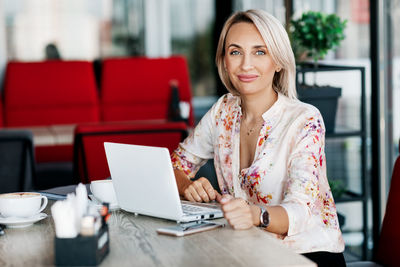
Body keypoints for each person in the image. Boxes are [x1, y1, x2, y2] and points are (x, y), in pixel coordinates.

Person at [171, 9, 346, 267]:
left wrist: (256, 215)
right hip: (249, 252)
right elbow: (175, 165)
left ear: (278, 62)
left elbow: (301, 211)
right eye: (235, 52)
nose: (245, 64)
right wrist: (186, 185)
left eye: (259, 52)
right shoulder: (223, 111)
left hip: (307, 255)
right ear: (224, 61)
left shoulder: (304, 119)